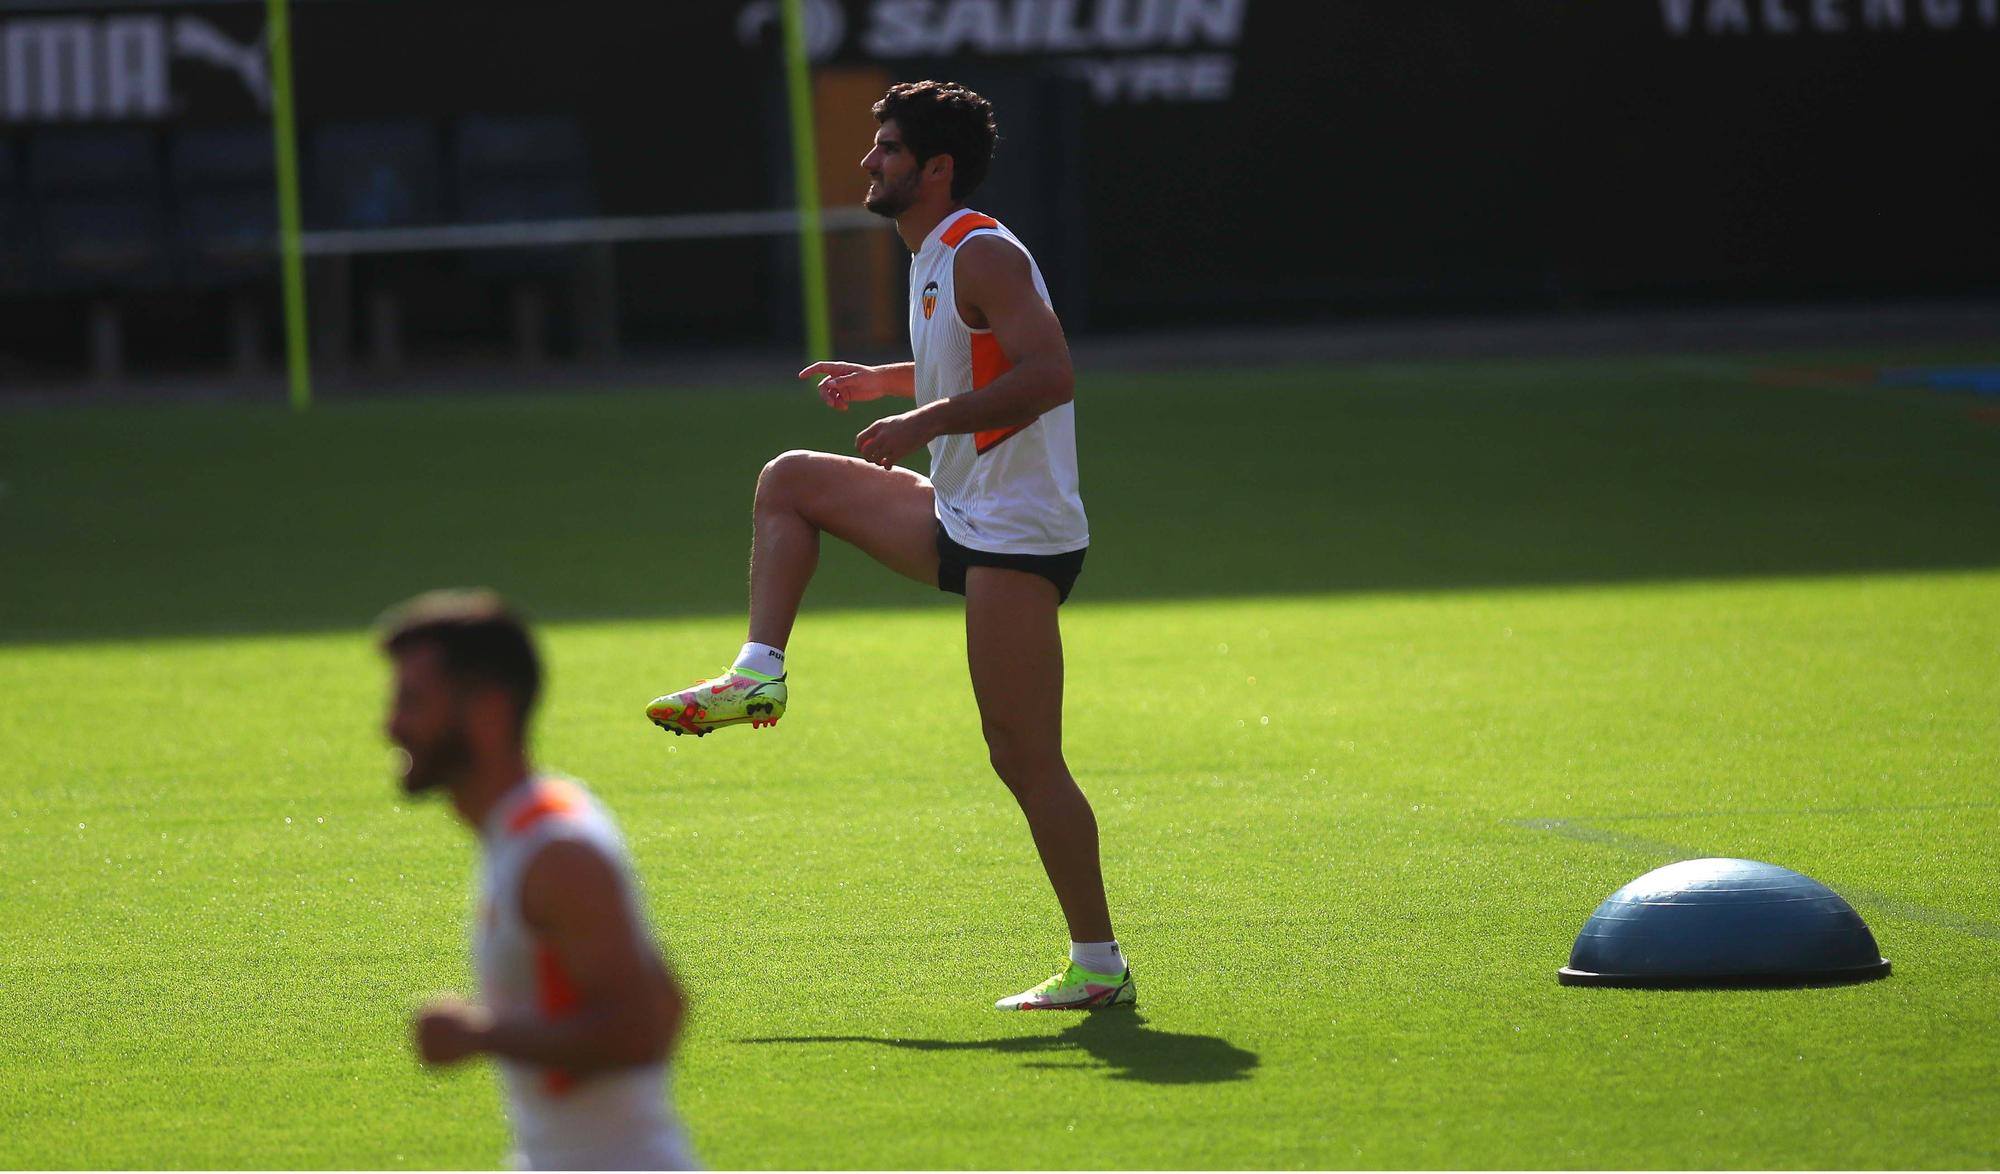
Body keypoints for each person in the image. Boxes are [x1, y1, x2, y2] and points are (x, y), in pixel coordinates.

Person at [645, 81, 1133, 1012]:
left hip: (1018, 540)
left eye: (889, 149)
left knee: (1023, 756)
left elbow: (1052, 374)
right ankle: (757, 675)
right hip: (962, 513)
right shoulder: (934, 252)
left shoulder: (982, 250)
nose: (869, 161)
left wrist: (924, 420)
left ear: (935, 168)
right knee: (791, 479)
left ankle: (1098, 965)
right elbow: (970, 355)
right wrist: (888, 382)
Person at [382, 589, 698, 1169]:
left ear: (489, 711)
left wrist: (481, 1036)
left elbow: (645, 1025)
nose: (391, 726)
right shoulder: (531, 830)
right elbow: (668, 1003)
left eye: (413, 701)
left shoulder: (555, 851)